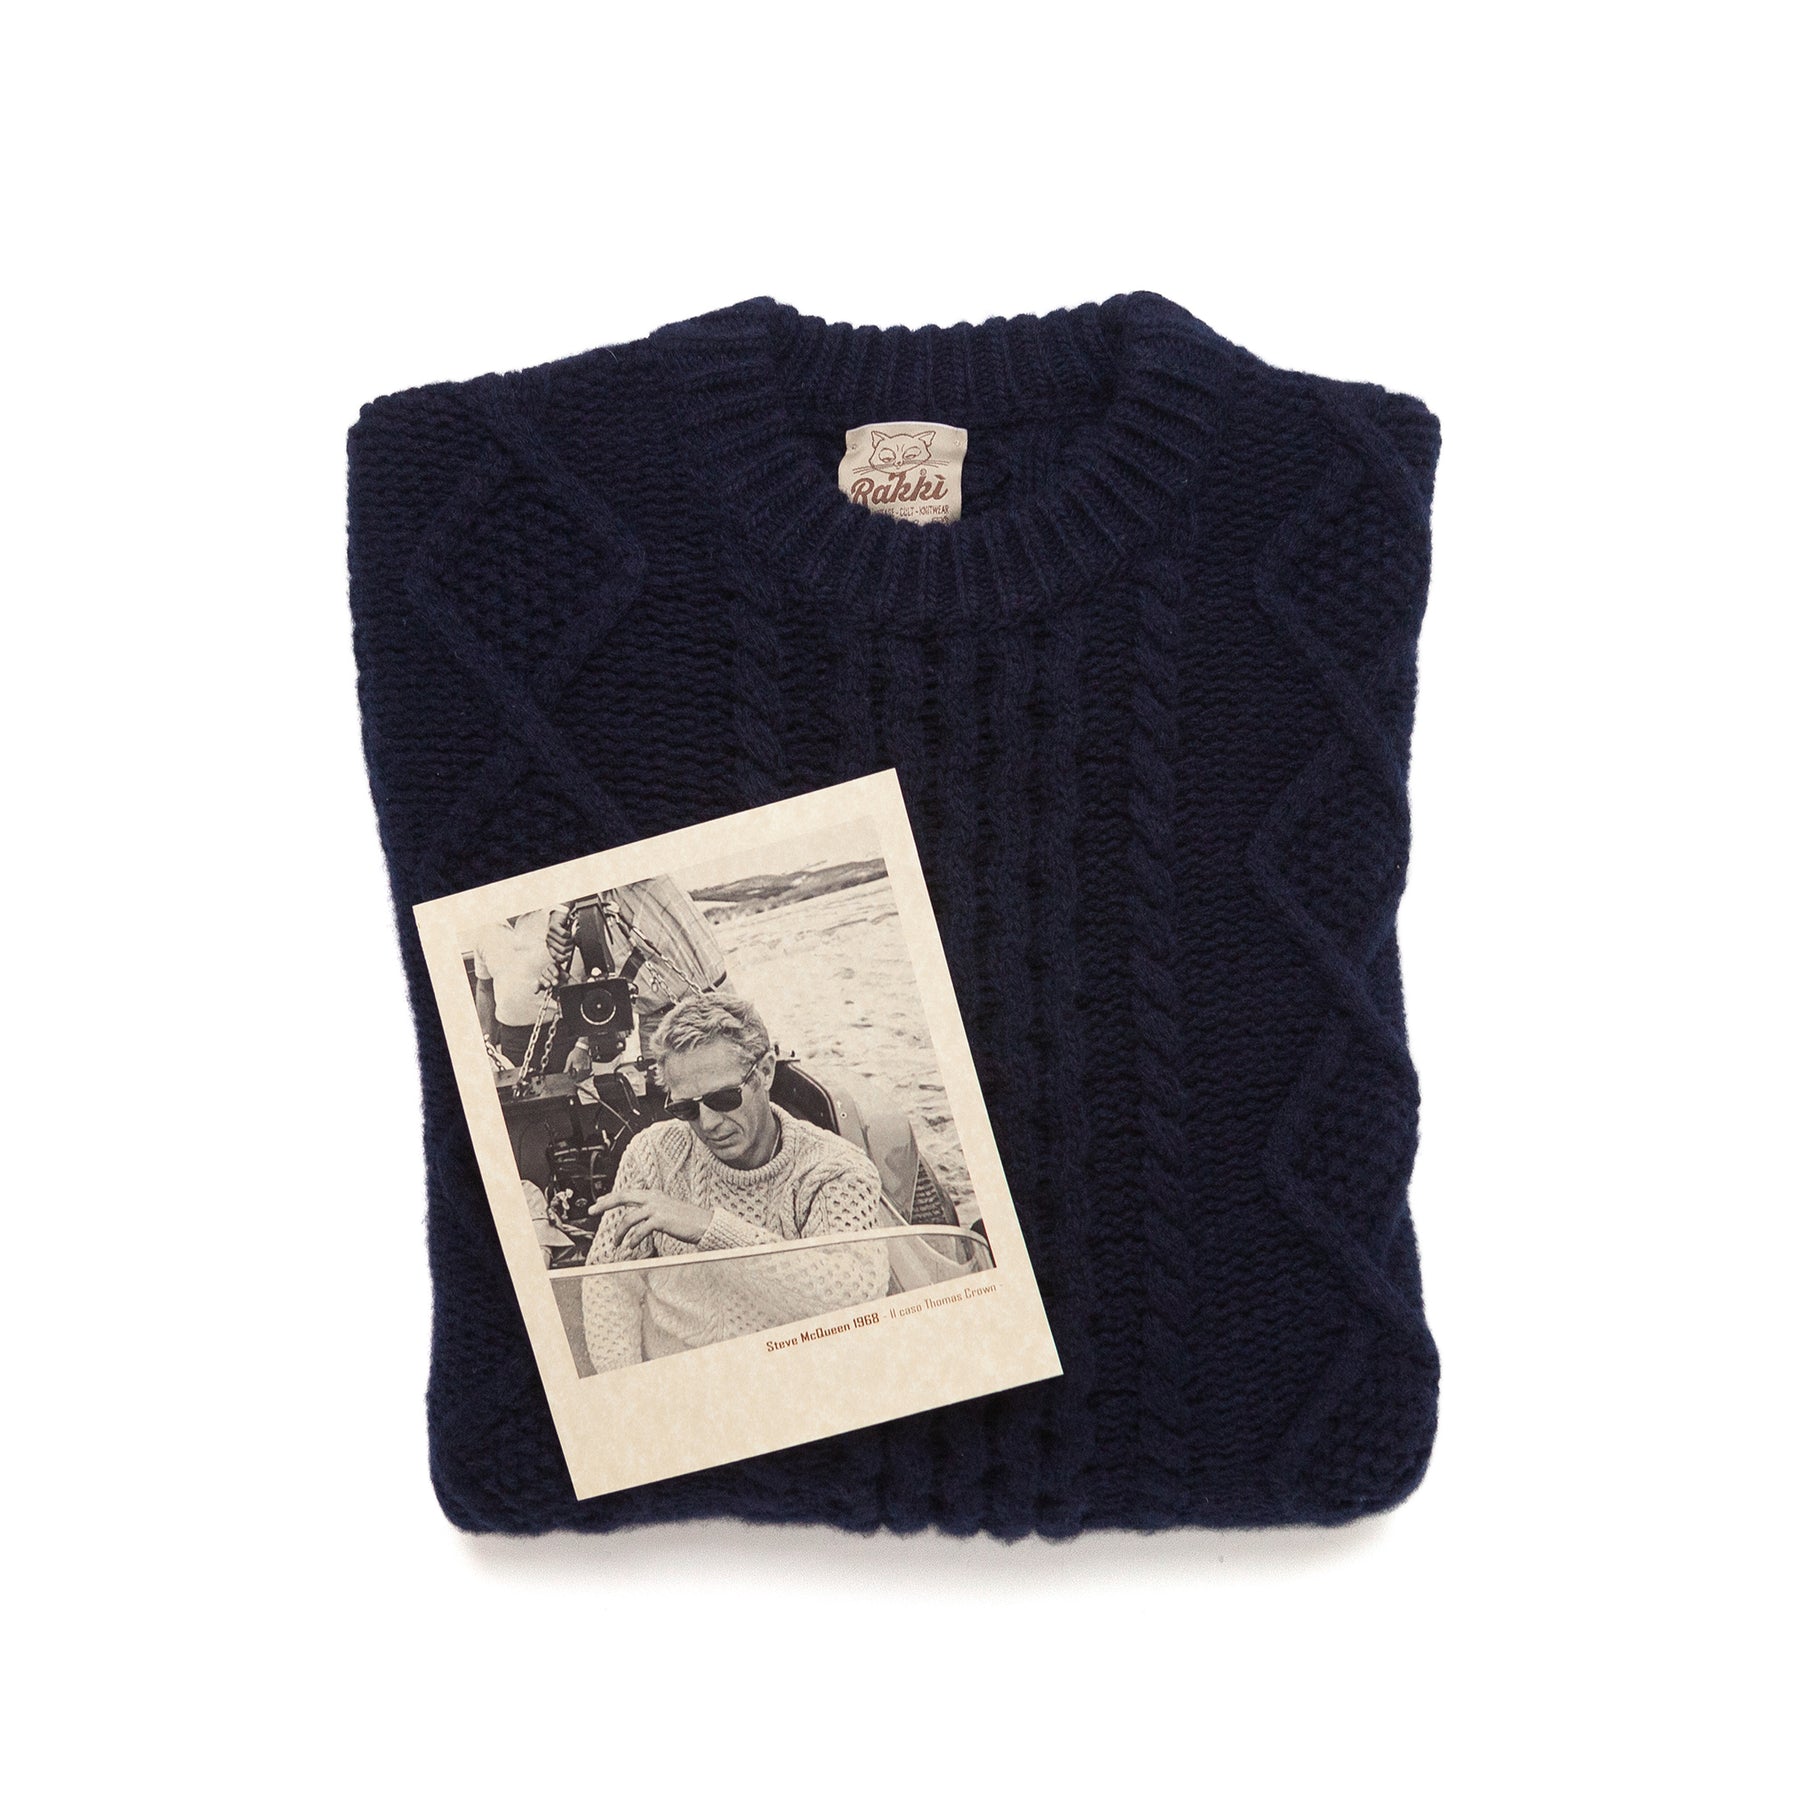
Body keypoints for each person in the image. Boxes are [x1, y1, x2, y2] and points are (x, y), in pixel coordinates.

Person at [580, 992, 888, 1370]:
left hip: (787, 1374)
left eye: (724, 1099)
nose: (708, 1123)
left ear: (766, 1072)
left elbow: (856, 1294)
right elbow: (608, 1280)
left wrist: (709, 1228)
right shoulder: (651, 1153)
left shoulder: (835, 1168)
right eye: (685, 1108)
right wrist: (624, 1382)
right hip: (674, 1379)